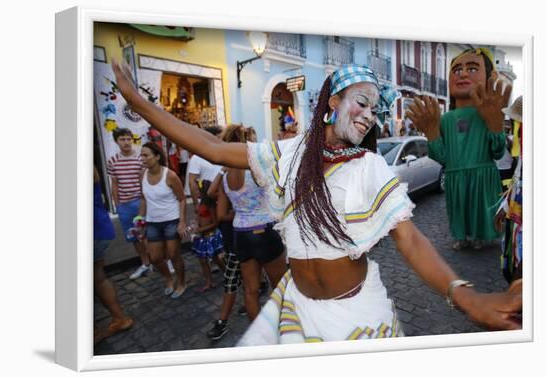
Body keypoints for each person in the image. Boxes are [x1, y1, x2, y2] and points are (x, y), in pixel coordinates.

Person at [112, 60, 522, 345]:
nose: (368, 116)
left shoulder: (371, 167)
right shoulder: (287, 155)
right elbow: (210, 148)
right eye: (361, 102)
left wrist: (467, 297)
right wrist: (139, 104)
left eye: (375, 109)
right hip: (299, 307)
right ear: (331, 102)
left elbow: (410, 240)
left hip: (356, 312)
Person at [407, 48, 511, 251]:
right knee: (458, 210)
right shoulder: (445, 119)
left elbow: (497, 152)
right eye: (456, 70)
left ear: (489, 77)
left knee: (481, 208)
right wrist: (432, 133)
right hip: (455, 176)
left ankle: (481, 236)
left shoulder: (485, 114)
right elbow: (441, 158)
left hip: (483, 174)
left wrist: (495, 125)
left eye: (472, 68)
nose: (462, 74)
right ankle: (462, 236)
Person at [207, 125, 282, 340]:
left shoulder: (225, 173)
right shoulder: (256, 168)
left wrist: (243, 212)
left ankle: (260, 336)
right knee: (280, 287)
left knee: (250, 291)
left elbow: (221, 213)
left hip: (240, 233)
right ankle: (285, 332)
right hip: (264, 231)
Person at [139, 142, 188, 298]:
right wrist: (140, 219)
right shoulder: (142, 175)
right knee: (155, 258)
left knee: (174, 255)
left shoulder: (170, 175)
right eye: (142, 155)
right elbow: (143, 198)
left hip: (171, 221)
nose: (143, 158)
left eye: (146, 155)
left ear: (157, 156)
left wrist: (182, 222)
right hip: (152, 222)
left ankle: (181, 283)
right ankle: (168, 278)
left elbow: (182, 200)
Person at [94, 166, 133, 343]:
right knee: (97, 278)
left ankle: (93, 330)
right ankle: (119, 319)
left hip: (91, 230)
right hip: (97, 228)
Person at [107, 128, 152, 279]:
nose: (126, 142)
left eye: (128, 139)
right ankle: (145, 263)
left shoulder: (140, 159)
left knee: (148, 233)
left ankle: (160, 260)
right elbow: (114, 184)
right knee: (134, 236)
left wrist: (145, 201)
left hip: (140, 201)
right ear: (116, 141)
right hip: (124, 205)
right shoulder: (112, 161)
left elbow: (144, 181)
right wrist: (117, 204)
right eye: (122, 139)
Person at [494, 95, 523, 284]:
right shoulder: (523, 154)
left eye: (515, 124)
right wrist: (503, 210)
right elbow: (517, 183)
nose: (512, 128)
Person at [191, 179, 226, 292]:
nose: (195, 191)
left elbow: (215, 223)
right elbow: (200, 216)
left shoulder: (210, 205)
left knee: (216, 258)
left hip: (210, 236)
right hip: (202, 236)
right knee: (203, 260)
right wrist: (196, 223)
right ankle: (209, 281)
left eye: (197, 189)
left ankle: (227, 273)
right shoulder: (201, 203)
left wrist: (200, 228)